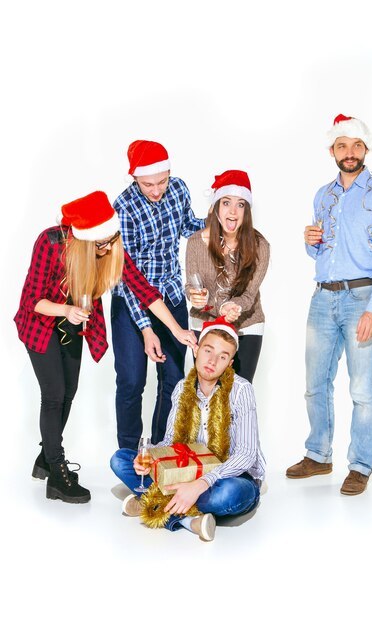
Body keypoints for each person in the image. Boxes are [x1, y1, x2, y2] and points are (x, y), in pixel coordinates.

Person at [14, 191, 196, 504]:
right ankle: (57, 474)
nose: (108, 248)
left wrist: (177, 330)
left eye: (111, 241)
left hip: (72, 327)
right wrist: (66, 310)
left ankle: (46, 457)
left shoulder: (107, 249)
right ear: (84, 240)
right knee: (54, 394)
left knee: (68, 393)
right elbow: (32, 301)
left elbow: (145, 291)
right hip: (42, 324)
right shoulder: (51, 243)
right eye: (101, 243)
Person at [286, 114, 372, 495]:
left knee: (364, 390)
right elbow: (320, 250)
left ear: (366, 149)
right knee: (314, 384)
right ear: (332, 150)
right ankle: (318, 454)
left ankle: (361, 464)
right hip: (323, 296)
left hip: (362, 298)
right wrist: (309, 240)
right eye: (341, 145)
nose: (349, 153)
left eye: (356, 145)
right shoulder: (324, 195)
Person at [110, 316, 266, 541]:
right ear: (196, 350)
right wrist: (151, 456)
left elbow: (246, 455)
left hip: (229, 477)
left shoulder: (241, 390)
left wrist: (201, 483)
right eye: (208, 351)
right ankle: (188, 520)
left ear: (229, 363)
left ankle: (152, 502)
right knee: (121, 459)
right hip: (187, 472)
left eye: (222, 357)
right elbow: (171, 442)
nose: (212, 361)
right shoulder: (182, 387)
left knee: (227, 495)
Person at [111, 140, 206, 447]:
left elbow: (187, 225)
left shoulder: (178, 189)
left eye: (161, 181)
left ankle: (159, 450)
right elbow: (129, 277)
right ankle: (127, 456)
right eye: (147, 184)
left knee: (174, 380)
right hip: (131, 303)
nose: (156, 190)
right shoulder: (123, 206)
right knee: (131, 382)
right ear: (135, 179)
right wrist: (146, 329)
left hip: (171, 295)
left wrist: (218, 222)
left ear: (170, 173)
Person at [185, 170, 269, 383]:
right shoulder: (195, 243)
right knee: (204, 393)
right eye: (226, 203)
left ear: (247, 211)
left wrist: (234, 306)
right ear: (215, 207)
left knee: (239, 391)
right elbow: (191, 286)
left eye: (240, 204)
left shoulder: (260, 246)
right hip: (205, 323)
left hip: (246, 324)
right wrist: (196, 296)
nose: (233, 211)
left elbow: (249, 294)